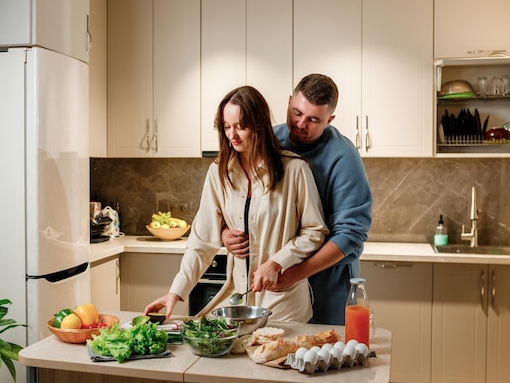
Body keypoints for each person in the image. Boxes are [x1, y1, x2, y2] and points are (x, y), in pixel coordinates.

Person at [144, 85, 328, 323]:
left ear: (260, 125)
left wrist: (276, 263)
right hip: (237, 300)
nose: (233, 135)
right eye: (227, 127)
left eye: (241, 126)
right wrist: (176, 291)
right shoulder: (219, 172)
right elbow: (201, 241)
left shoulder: (295, 169)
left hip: (284, 303)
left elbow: (315, 231)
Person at [222, 74, 372, 325]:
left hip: (326, 283)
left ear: (330, 120)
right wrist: (225, 232)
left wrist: (293, 274)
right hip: (274, 284)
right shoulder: (268, 139)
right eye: (296, 112)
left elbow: (351, 234)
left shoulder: (344, 157)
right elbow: (240, 196)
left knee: (321, 355)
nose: (301, 123)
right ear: (290, 101)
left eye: (313, 119)